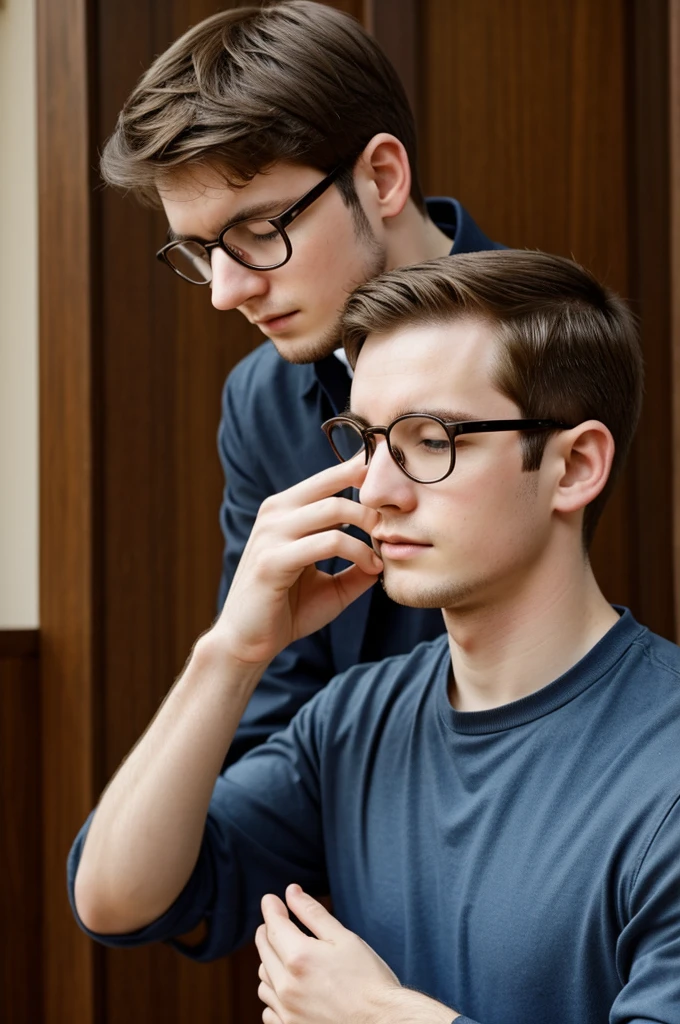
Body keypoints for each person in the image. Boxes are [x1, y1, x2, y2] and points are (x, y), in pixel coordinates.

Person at [69, 250, 680, 1024]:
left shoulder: (665, 765)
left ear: (574, 467)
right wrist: (233, 652)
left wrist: (378, 1016)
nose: (377, 490)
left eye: (430, 440)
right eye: (366, 440)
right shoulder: (355, 719)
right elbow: (116, 897)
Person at [99, 0, 504, 762]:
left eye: (258, 232)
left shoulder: (554, 344)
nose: (225, 291)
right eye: (199, 251)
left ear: (381, 177)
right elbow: (272, 707)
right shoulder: (257, 402)